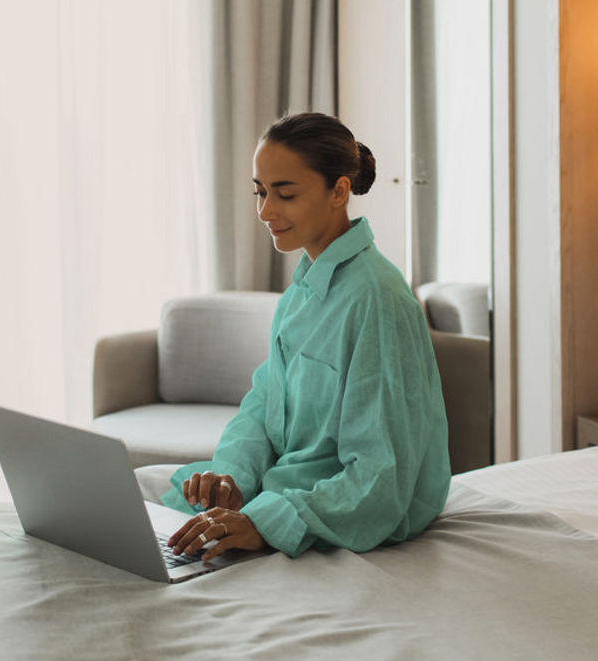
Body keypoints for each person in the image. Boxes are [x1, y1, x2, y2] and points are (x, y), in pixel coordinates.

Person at [164, 112, 451, 563]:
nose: (264, 211)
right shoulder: (303, 289)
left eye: (285, 193)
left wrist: (264, 524)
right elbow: (263, 405)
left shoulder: (376, 300)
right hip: (282, 489)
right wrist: (231, 477)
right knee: (136, 503)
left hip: (332, 511)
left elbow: (382, 479)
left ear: (339, 191)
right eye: (260, 191)